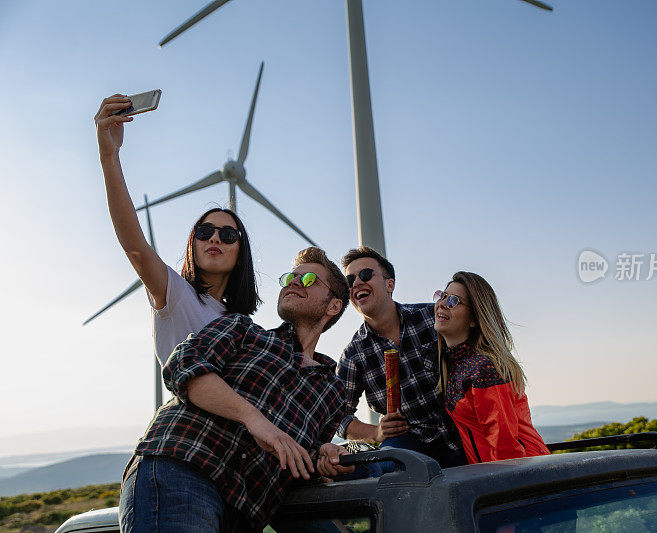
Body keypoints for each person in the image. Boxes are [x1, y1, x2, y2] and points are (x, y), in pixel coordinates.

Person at [119, 248, 354, 532]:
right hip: (183, 466)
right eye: (290, 278)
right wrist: (253, 418)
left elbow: (299, 463)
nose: (293, 282)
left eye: (307, 280)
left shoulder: (334, 392)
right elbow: (182, 363)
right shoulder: (242, 329)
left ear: (333, 306)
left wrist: (323, 459)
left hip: (243, 513)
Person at [94, 95, 260, 366]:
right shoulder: (176, 295)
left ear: (242, 253)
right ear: (191, 245)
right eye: (204, 232)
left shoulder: (242, 325)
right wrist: (109, 156)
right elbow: (134, 245)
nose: (215, 237)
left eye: (228, 235)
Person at [336, 247, 465, 468]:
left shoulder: (432, 317)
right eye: (350, 280)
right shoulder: (353, 354)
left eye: (366, 275)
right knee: (385, 467)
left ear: (390, 284)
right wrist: (376, 432)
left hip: (463, 431)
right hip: (409, 447)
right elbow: (336, 416)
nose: (356, 282)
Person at [434, 271, 550, 464]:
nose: (442, 304)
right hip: (496, 474)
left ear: (474, 319)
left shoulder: (485, 368)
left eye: (454, 301)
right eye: (442, 296)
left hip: (524, 472)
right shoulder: (455, 364)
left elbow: (505, 446)